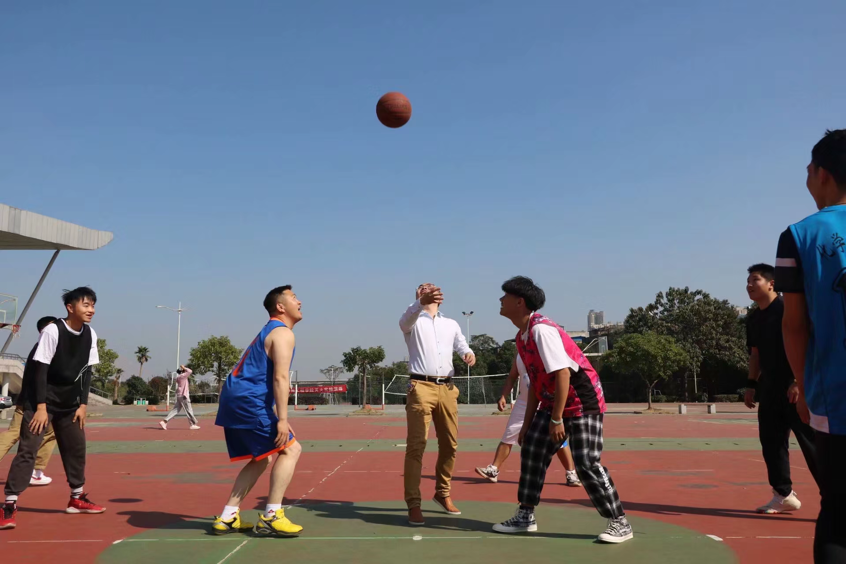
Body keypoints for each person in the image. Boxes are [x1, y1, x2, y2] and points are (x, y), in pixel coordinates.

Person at [492, 276, 632, 543]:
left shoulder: (541, 331)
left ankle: (619, 521)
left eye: (505, 296)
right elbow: (536, 382)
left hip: (582, 401)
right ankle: (525, 516)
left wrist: (556, 419)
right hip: (552, 401)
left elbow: (563, 373)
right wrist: (526, 425)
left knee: (586, 462)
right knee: (532, 449)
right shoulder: (522, 337)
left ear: (519, 302)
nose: (500, 300)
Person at [776, 129, 846, 563]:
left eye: (807, 170)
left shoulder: (799, 236)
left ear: (822, 174)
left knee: (838, 514)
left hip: (837, 398)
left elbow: (795, 326)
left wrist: (802, 387)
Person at [1, 288, 106, 531]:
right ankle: (9, 504)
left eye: (93, 305)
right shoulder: (53, 330)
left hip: (70, 405)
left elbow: (87, 371)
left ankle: (77, 498)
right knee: (28, 450)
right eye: (86, 305)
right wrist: (40, 407)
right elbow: (40, 370)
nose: (91, 310)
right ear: (70, 307)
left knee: (76, 449)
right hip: (43, 402)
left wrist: (83, 405)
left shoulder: (90, 334)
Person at [212, 285, 304, 537]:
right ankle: (272, 516)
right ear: (280, 306)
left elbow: (260, 375)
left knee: (262, 457)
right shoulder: (283, 333)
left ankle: (228, 516)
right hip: (247, 400)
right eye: (294, 298)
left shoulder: (269, 331)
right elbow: (280, 378)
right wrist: (282, 419)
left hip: (234, 399)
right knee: (291, 449)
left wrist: (275, 414)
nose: (300, 302)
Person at [744, 263, 819, 514]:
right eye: (748, 281)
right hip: (770, 390)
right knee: (771, 443)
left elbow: (809, 343)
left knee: (814, 445)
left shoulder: (789, 309)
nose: (749, 285)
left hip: (797, 388)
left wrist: (799, 381)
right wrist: (751, 385)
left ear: (771, 284)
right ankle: (783, 495)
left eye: (755, 280)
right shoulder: (754, 319)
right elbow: (755, 354)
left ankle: (836, 498)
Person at [399, 282, 475, 526]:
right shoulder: (413, 320)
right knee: (416, 446)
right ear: (417, 295)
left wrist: (468, 353)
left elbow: (461, 344)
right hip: (421, 387)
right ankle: (414, 503)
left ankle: (442, 493)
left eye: (431, 286)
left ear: (441, 296)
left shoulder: (451, 323)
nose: (427, 288)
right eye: (422, 287)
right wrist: (419, 304)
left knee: (450, 445)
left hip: (448, 389)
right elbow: (404, 322)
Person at [475, 353, 581, 487]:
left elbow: (562, 374)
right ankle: (493, 470)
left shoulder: (545, 349)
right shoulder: (519, 355)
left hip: (545, 401)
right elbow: (512, 376)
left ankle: (571, 474)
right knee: (508, 435)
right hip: (523, 403)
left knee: (557, 439)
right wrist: (503, 396)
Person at [0, 316, 59, 486]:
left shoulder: (40, 347)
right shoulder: (45, 348)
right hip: (35, 403)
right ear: (46, 330)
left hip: (33, 401)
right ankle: (35, 472)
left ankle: (36, 471)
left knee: (48, 433)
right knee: (18, 434)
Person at [159, 365, 200, 430]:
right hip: (183, 395)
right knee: (189, 410)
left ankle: (164, 421)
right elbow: (190, 371)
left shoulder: (178, 377)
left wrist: (183, 369)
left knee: (176, 410)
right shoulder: (183, 376)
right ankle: (192, 424)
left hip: (179, 395)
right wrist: (184, 367)